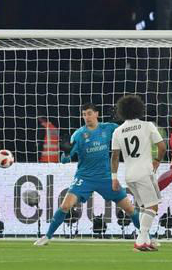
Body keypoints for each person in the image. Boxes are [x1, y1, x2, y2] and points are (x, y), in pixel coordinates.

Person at [34, 103, 142, 246]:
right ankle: (47, 236)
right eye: (84, 114)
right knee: (65, 206)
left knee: (129, 208)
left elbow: (126, 132)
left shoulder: (108, 128)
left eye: (89, 113)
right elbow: (64, 161)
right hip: (84, 178)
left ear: (96, 114)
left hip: (106, 178)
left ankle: (146, 236)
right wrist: (66, 152)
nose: (87, 117)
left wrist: (121, 122)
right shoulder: (78, 135)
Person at [110, 95, 167, 252]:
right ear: (139, 109)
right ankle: (141, 240)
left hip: (129, 175)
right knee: (153, 206)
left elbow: (115, 156)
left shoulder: (118, 131)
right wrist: (157, 161)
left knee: (143, 207)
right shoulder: (147, 126)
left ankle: (146, 240)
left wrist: (114, 178)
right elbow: (162, 147)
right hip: (144, 172)